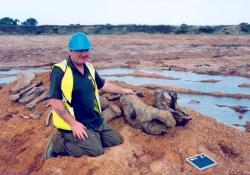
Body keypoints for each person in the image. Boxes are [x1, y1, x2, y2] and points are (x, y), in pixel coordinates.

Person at [44, 32, 134, 160]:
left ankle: (92, 137)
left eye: (86, 50)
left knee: (116, 141)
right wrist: (73, 124)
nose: (84, 54)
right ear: (70, 51)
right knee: (96, 151)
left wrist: (123, 90)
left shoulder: (89, 67)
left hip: (94, 119)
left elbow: (102, 85)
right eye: (79, 50)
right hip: (74, 123)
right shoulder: (60, 71)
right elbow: (54, 101)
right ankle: (58, 144)